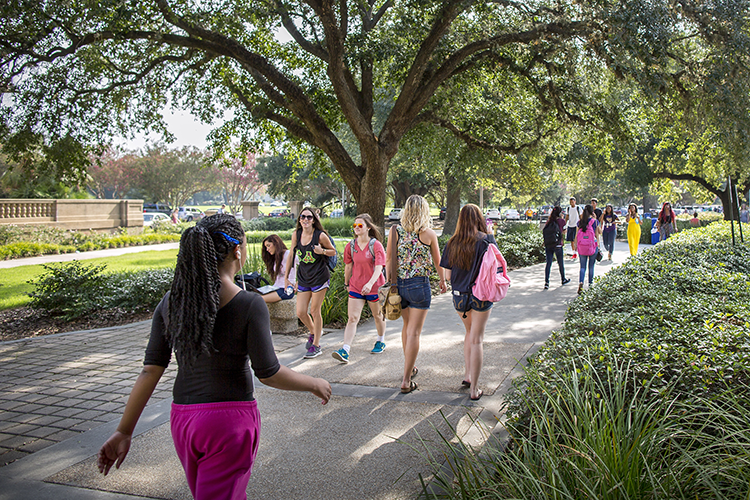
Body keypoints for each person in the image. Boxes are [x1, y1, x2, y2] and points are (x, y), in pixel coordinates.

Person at [97, 214, 331, 500]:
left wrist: (124, 431)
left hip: (183, 421)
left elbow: (150, 370)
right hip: (229, 423)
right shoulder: (250, 304)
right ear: (237, 251)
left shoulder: (171, 301)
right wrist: (313, 382)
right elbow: (268, 372)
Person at [386, 195, 446, 394]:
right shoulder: (428, 234)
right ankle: (405, 380)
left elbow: (388, 259)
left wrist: (390, 283)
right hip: (419, 285)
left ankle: (409, 368)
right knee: (414, 332)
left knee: (406, 327)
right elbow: (438, 262)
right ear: (424, 211)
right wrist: (443, 281)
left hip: (399, 286)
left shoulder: (395, 231)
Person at [439, 204, 496, 401]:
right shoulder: (485, 241)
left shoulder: (452, 242)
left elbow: (447, 275)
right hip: (480, 296)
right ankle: (475, 390)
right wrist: (491, 235)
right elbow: (495, 264)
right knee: (477, 338)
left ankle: (468, 376)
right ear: (478, 218)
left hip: (459, 296)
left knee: (469, 333)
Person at [332, 214, 387, 363]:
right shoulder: (351, 246)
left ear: (368, 227)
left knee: (378, 316)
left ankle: (380, 340)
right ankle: (345, 350)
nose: (356, 228)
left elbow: (379, 268)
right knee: (352, 318)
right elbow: (348, 266)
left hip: (375, 287)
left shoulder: (376, 245)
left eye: (360, 225)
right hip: (356, 286)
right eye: (354, 226)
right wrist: (347, 284)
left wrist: (369, 284)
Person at [285, 208, 336, 359]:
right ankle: (313, 332)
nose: (305, 219)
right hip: (304, 277)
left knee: (314, 310)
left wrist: (323, 252)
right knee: (300, 312)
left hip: (319, 276)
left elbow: (333, 251)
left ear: (313, 220)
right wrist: (288, 277)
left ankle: (317, 345)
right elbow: (291, 255)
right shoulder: (297, 234)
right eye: (303, 217)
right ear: (299, 219)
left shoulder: (320, 235)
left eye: (309, 217)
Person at [261, 234, 296, 304]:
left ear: (275, 243)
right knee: (255, 296)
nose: (267, 249)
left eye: (268, 245)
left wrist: (298, 283)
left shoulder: (287, 254)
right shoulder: (276, 258)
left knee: (259, 299)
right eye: (266, 247)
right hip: (276, 288)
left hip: (286, 290)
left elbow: (303, 265)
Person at [542, 206, 570, 289]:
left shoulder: (549, 221)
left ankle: (546, 282)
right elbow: (564, 231)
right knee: (560, 263)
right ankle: (563, 279)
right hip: (558, 245)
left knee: (548, 263)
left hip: (548, 245)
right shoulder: (561, 221)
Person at [575, 204, 600, 294]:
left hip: (582, 247)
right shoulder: (594, 221)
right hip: (592, 246)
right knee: (591, 266)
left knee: (582, 267)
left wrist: (575, 245)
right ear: (592, 212)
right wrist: (599, 246)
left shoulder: (580, 222)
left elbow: (576, 234)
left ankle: (581, 282)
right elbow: (598, 233)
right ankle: (590, 285)